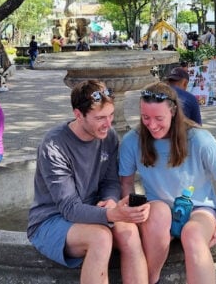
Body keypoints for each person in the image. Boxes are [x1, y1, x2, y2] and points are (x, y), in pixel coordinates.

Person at [27, 80, 149, 284]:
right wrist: (111, 214)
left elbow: (110, 181)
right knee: (100, 238)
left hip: (92, 209)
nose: (108, 124)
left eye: (110, 115)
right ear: (78, 114)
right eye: (100, 117)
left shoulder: (108, 137)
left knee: (128, 232)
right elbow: (69, 208)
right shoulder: (54, 145)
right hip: (51, 218)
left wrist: (110, 201)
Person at [120, 82, 216, 284]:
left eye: (159, 118)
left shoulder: (199, 138)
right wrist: (133, 213)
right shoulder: (132, 140)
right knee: (159, 213)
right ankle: (151, 278)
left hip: (198, 209)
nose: (152, 125)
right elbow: (126, 183)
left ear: (173, 111)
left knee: (192, 234)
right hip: (158, 213)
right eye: (145, 117)